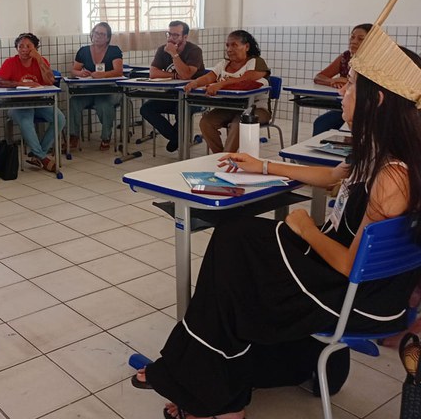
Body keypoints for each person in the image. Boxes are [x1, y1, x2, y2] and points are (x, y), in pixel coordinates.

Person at [132, 32, 421, 419]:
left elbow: (353, 266)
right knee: (235, 246)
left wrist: (307, 229)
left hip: (357, 297)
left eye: (350, 85)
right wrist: (263, 166)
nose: (340, 90)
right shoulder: (382, 151)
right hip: (348, 282)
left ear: (378, 100)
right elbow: (332, 175)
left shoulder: (392, 177)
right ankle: (204, 383)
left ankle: (208, 392)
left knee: (234, 250)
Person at [185, 30, 271, 153]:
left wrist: (221, 84)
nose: (229, 49)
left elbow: (247, 78)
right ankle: (219, 156)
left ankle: (227, 157)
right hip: (230, 107)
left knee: (239, 123)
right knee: (206, 122)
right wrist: (195, 83)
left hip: (256, 109)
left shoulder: (256, 61)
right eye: (227, 45)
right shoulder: (224, 64)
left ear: (246, 47)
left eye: (234, 45)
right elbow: (209, 77)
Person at [0, 33, 66, 171]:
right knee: (26, 121)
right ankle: (43, 158)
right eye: (21, 46)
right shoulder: (10, 62)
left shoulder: (40, 60)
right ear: (16, 48)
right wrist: (20, 83)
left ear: (35, 48)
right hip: (16, 104)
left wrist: (39, 59)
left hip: (38, 102)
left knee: (60, 119)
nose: (24, 49)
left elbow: (50, 80)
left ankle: (38, 154)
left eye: (28, 46)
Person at [140, 21, 205, 153]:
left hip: (194, 96)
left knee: (180, 108)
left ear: (185, 37)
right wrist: (175, 76)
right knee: (146, 108)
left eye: (175, 35)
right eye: (169, 34)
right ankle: (176, 137)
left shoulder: (194, 51)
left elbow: (186, 75)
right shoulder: (162, 50)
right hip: (172, 94)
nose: (170, 38)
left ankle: (177, 138)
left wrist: (174, 54)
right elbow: (153, 73)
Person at [68, 22, 123, 151]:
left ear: (108, 38)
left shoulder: (114, 50)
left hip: (109, 90)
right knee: (74, 102)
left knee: (103, 104)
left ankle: (106, 137)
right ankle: (73, 136)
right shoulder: (83, 50)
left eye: (102, 34)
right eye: (96, 33)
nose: (98, 36)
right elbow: (74, 70)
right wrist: (80, 73)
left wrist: (103, 75)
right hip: (89, 90)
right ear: (92, 34)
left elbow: (118, 71)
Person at [312, 23, 371, 135]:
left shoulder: (376, 62)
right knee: (321, 124)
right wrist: (332, 81)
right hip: (346, 105)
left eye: (361, 39)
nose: (354, 41)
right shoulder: (346, 57)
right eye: (352, 37)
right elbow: (318, 77)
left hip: (368, 110)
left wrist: (347, 81)